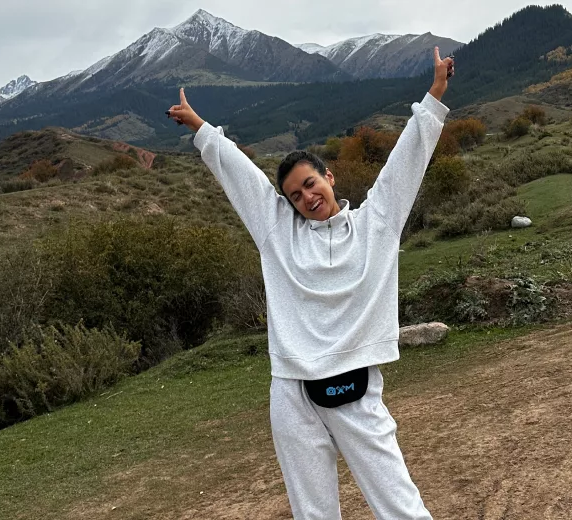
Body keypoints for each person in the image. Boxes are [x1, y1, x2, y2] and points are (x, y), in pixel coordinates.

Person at [168, 46, 454, 520]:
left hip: (354, 383)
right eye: (294, 195)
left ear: (329, 177)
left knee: (398, 503)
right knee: (313, 512)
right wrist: (201, 129)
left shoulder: (377, 223)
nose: (306, 197)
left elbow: (407, 161)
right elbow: (242, 178)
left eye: (310, 183)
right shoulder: (278, 234)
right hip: (292, 391)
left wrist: (435, 95)